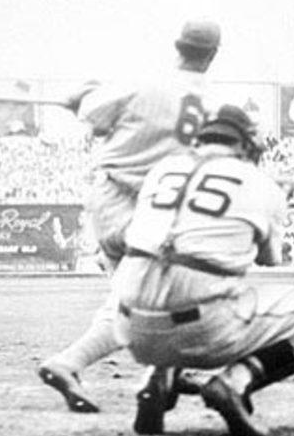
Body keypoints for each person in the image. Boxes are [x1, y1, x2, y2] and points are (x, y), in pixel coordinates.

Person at [113, 105, 294, 436]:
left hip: (128, 325)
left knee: (181, 279)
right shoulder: (261, 182)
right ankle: (233, 383)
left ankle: (155, 380)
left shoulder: (163, 169)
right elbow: (269, 259)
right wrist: (280, 199)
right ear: (245, 145)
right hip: (202, 326)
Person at [37, 21, 220, 413]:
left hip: (112, 199)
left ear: (177, 46)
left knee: (154, 297)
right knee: (139, 302)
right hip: (154, 210)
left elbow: (94, 116)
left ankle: (164, 372)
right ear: (212, 54)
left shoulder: (144, 83)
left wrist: (81, 97)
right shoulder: (215, 104)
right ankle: (70, 362)